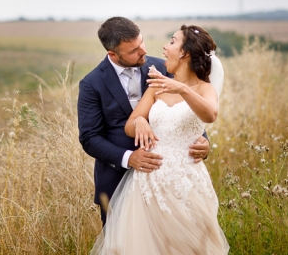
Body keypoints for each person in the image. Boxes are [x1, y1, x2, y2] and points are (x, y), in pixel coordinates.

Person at [90, 24, 228, 254]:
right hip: (148, 183)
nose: (164, 46)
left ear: (185, 53)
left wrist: (182, 89)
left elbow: (210, 115)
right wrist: (142, 121)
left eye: (172, 41)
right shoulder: (156, 86)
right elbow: (129, 126)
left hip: (186, 182)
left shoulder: (205, 89)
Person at [78, 17, 210, 226]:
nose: (143, 52)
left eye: (142, 43)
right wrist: (129, 158)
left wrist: (202, 139)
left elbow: (186, 108)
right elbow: (89, 137)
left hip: (169, 181)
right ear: (112, 54)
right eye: (133, 51)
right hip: (116, 180)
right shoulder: (91, 84)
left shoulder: (164, 67)